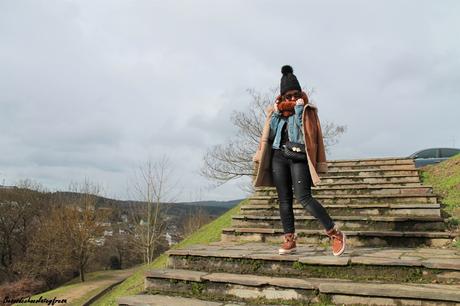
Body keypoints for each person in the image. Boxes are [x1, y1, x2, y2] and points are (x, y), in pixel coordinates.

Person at [252, 65, 346, 256]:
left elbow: (307, 135)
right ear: (282, 97)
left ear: (301, 93)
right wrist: (277, 112)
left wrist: (299, 109)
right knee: (284, 200)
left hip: (298, 156)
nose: (292, 98)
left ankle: (334, 233)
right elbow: (268, 136)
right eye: (288, 96)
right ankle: (289, 239)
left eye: (296, 94)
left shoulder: (307, 111)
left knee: (304, 197)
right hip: (278, 157)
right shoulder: (275, 113)